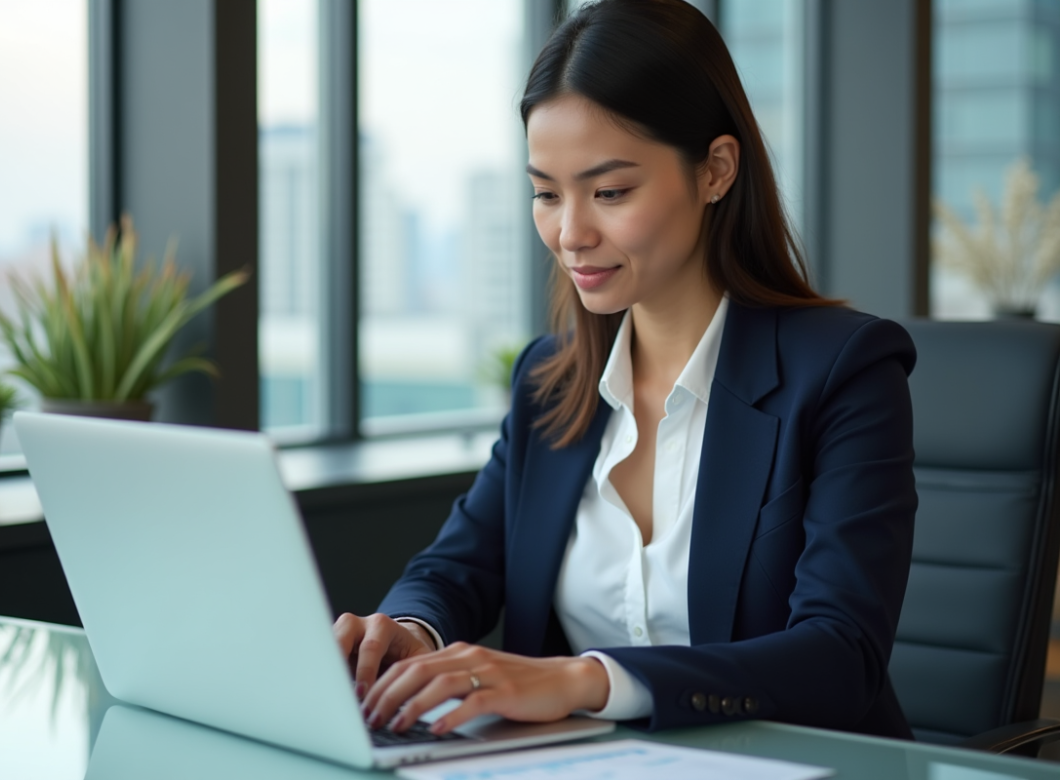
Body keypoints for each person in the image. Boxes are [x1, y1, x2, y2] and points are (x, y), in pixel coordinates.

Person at [333, 0, 917, 740]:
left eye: (610, 192)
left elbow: (841, 657)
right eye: (546, 193)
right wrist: (411, 633)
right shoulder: (552, 379)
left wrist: (586, 678)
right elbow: (459, 566)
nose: (571, 233)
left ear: (715, 170)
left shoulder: (843, 372)